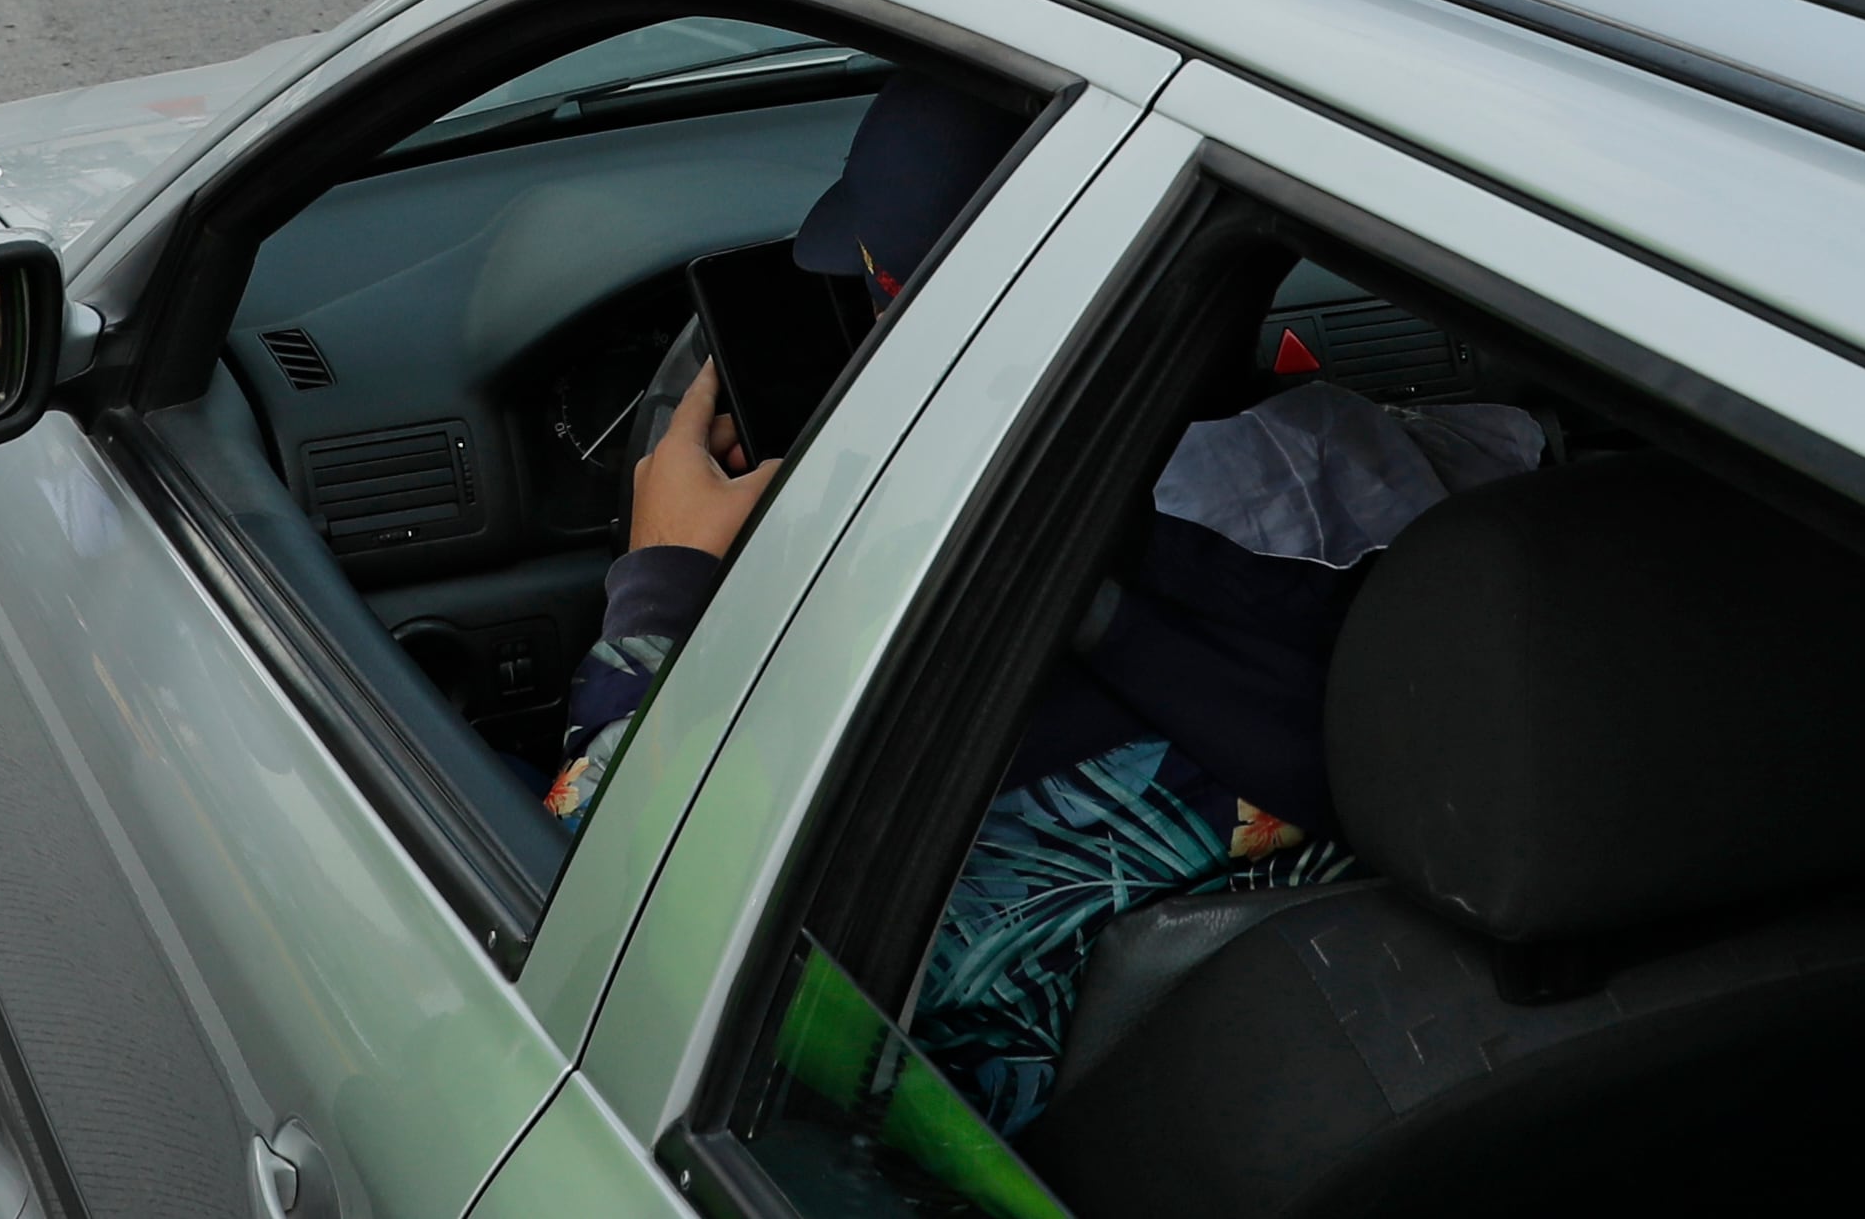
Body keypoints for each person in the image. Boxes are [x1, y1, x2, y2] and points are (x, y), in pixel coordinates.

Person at [544, 79, 1540, 1136]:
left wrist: (663, 578)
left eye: (884, 304)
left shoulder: (1007, 719)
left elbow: (630, 918)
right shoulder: (1478, 549)